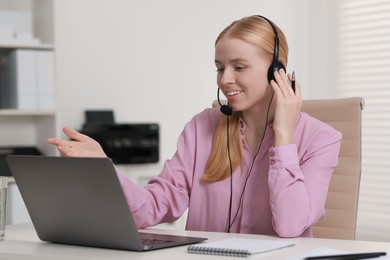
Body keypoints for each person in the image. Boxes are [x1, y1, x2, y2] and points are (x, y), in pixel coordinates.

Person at [47, 15, 341, 238]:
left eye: (239, 67)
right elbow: (151, 207)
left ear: (277, 71)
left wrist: (284, 135)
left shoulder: (320, 139)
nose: (225, 79)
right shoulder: (202, 128)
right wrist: (102, 168)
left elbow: (291, 225)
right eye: (219, 67)